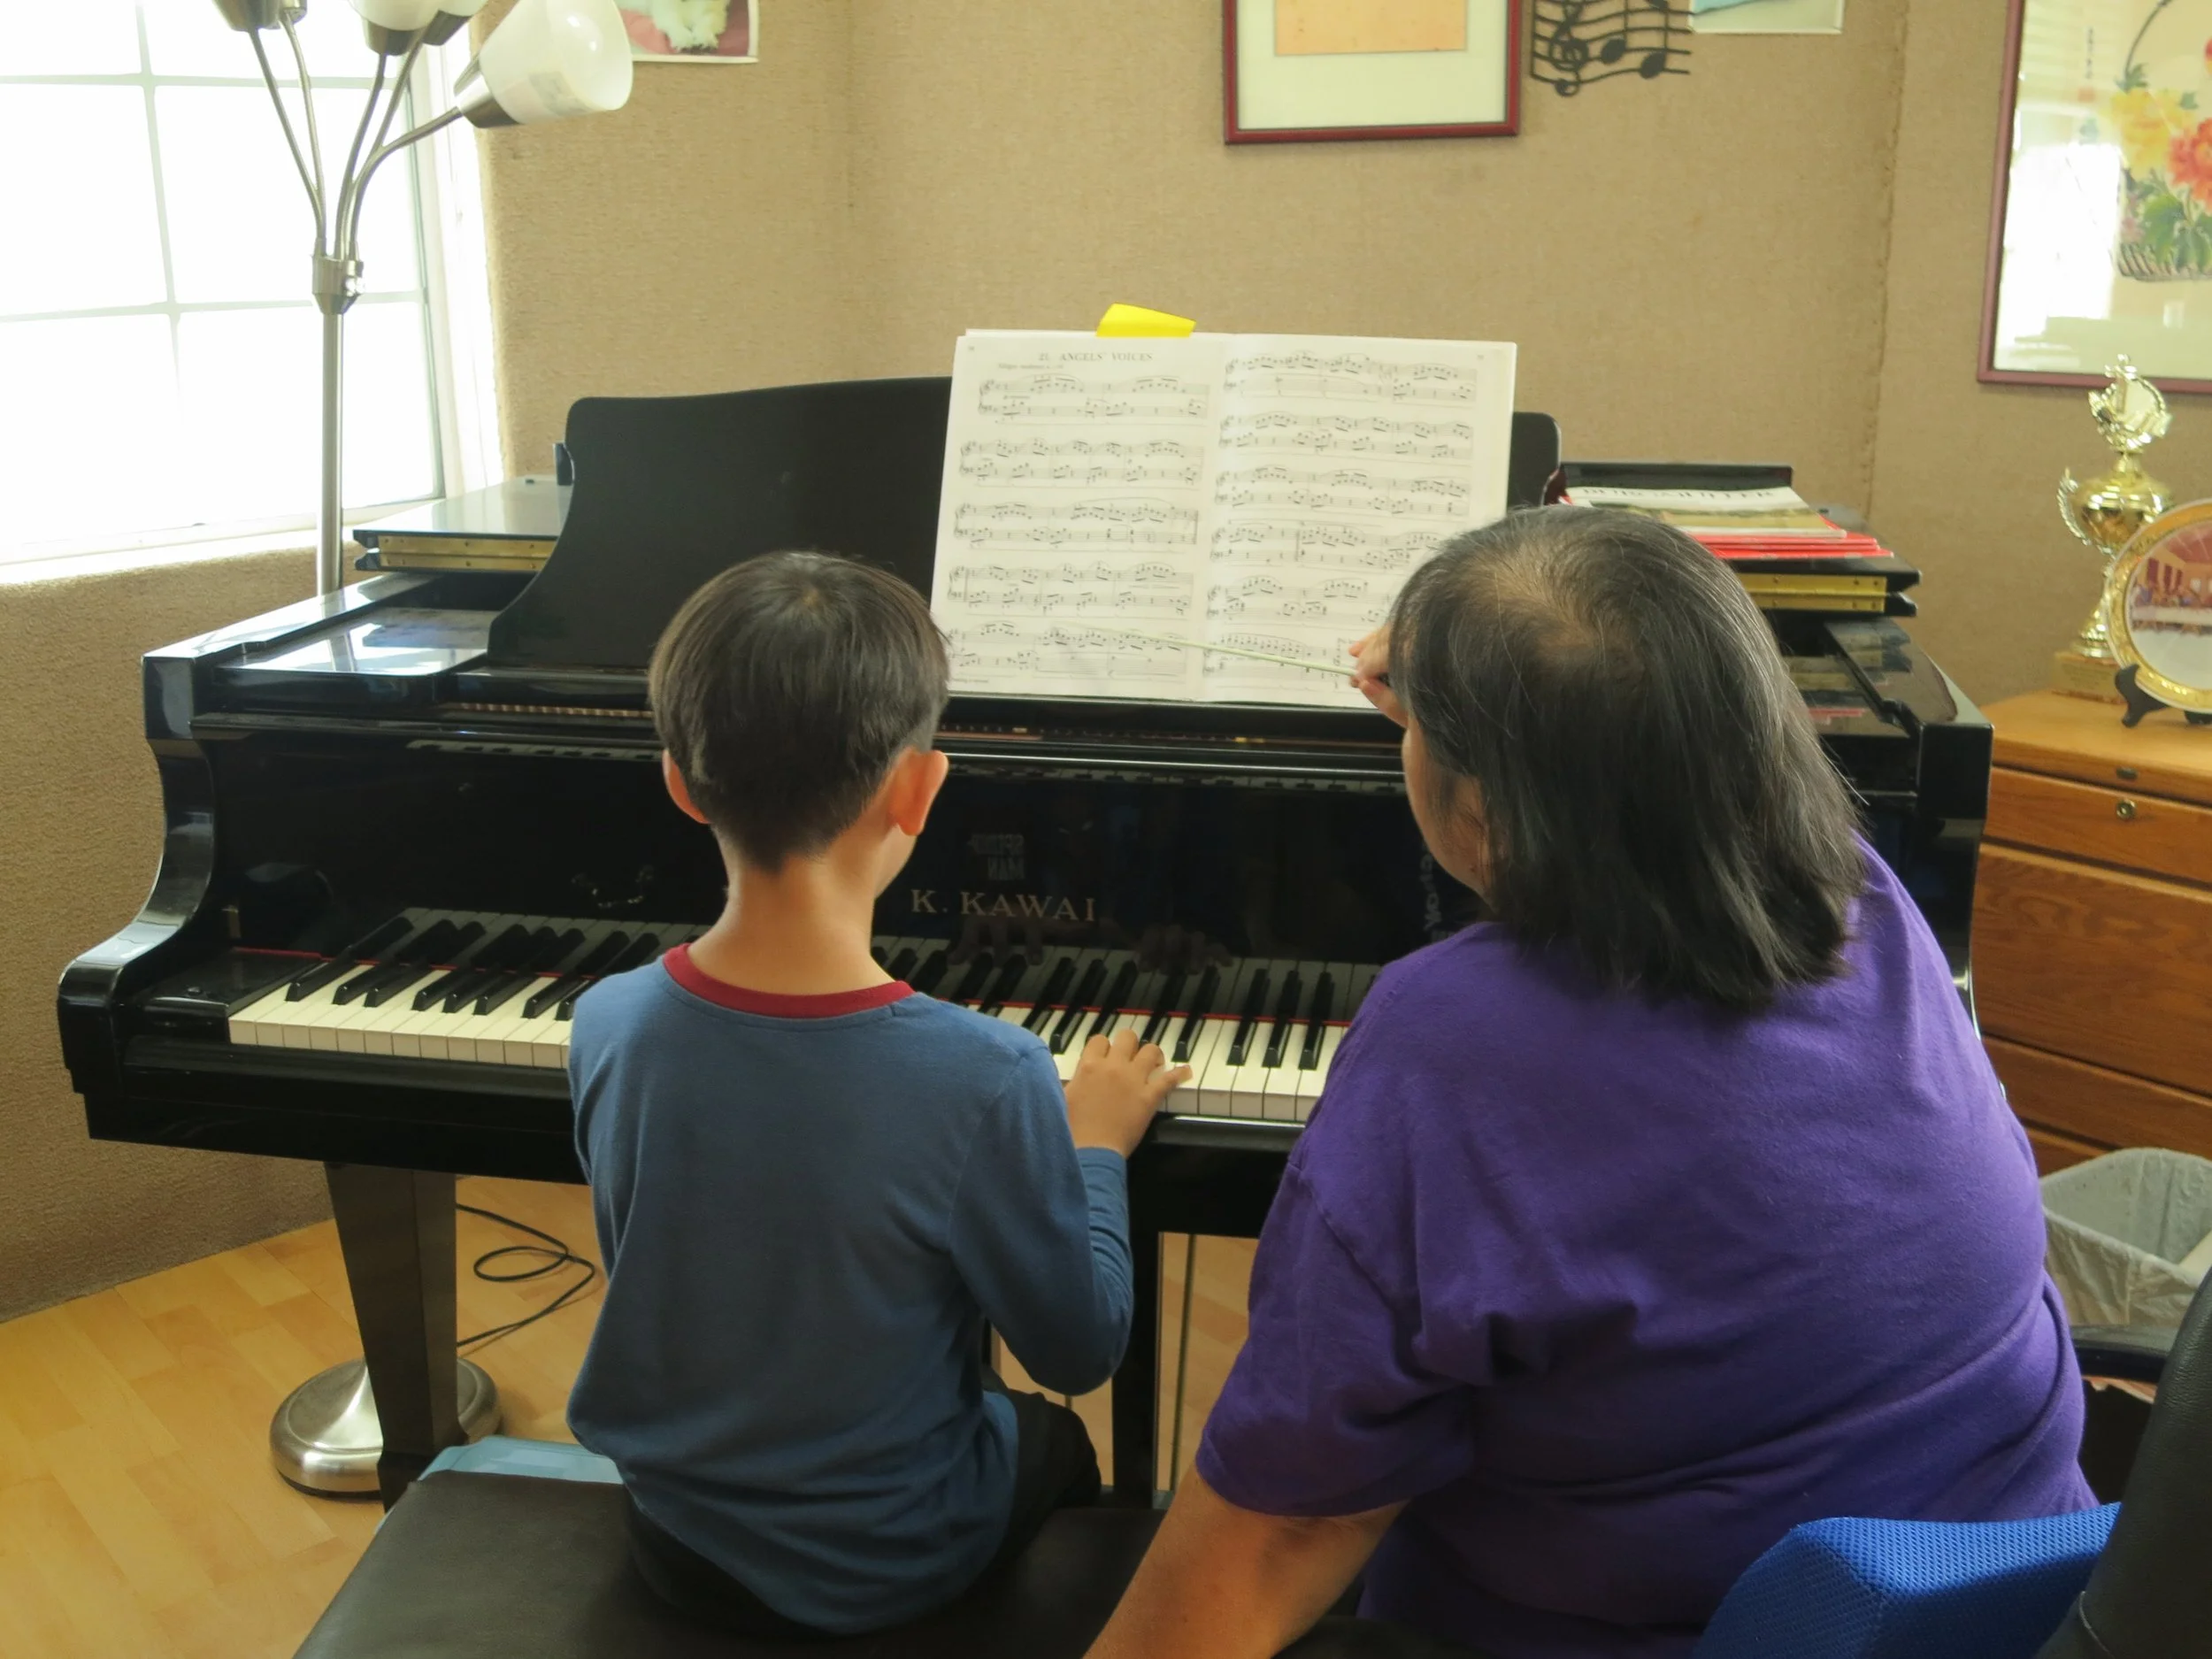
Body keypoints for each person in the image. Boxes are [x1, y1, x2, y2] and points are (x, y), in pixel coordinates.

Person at [1088, 510, 2093, 1659]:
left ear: (1491, 801)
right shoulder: (1860, 889)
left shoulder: (1452, 1035)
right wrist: (1450, 689)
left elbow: (1284, 1519)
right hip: (2004, 1596)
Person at [565, 550, 1187, 1638]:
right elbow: (1079, 1350)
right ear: (919, 785)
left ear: (677, 779)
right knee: (1055, 1438)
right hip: (888, 1566)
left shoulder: (609, 1018)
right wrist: (1092, 1145)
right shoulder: (984, 1073)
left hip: (674, 1533)